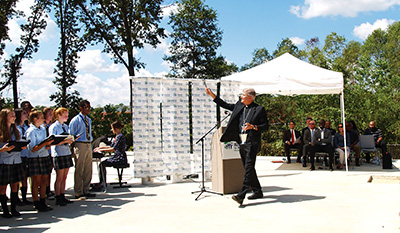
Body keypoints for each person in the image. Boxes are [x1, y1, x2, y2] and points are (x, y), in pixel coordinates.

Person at [205, 88, 268, 205]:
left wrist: (253, 127)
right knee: (248, 167)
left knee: (248, 167)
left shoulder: (259, 109)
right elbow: (224, 104)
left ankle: (241, 194)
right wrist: (211, 95)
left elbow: (265, 126)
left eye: (243, 95)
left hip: (252, 142)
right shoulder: (239, 106)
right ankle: (258, 191)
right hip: (241, 141)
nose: (241, 97)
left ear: (250, 97)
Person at [25, 110, 54, 212]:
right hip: (35, 158)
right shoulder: (31, 131)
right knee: (36, 181)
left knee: (44, 180)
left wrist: (48, 144)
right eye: (41, 117)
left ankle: (42, 200)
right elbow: (32, 148)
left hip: (44, 156)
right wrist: (44, 143)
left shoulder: (42, 129)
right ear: (35, 119)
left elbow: (43, 144)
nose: (43, 119)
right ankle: (36, 202)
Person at [0, 109, 25, 218]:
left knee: (15, 185)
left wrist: (22, 146)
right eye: (11, 116)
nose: (14, 117)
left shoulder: (16, 131)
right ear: (5, 117)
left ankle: (14, 209)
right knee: (2, 187)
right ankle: (5, 210)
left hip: (16, 160)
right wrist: (2, 149)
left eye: (14, 115)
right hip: (5, 161)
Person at [69, 100, 96, 199]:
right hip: (80, 144)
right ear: (80, 108)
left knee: (88, 168)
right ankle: (78, 191)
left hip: (88, 143)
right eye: (86, 107)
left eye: (89, 107)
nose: (88, 109)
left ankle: (86, 189)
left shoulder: (88, 120)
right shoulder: (75, 120)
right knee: (79, 168)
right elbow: (71, 134)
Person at [49, 108, 74, 206]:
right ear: (58, 115)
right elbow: (52, 141)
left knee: (64, 176)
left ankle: (62, 195)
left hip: (66, 152)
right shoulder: (54, 127)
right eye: (65, 115)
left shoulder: (65, 126)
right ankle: (58, 196)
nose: (67, 117)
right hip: (58, 153)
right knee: (59, 177)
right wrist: (65, 141)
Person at [93, 121, 127, 187]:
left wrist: (102, 149)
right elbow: (110, 146)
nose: (112, 130)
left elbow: (113, 149)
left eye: (112, 128)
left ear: (116, 128)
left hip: (119, 157)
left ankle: (102, 182)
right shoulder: (117, 136)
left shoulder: (120, 137)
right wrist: (100, 148)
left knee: (102, 164)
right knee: (102, 164)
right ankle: (102, 181)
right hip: (117, 156)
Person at [15, 108, 32, 205]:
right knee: (18, 177)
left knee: (25, 176)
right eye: (24, 113)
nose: (26, 114)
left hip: (26, 154)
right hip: (19, 155)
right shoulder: (16, 128)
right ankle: (16, 197)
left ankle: (24, 197)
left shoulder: (26, 127)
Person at [42, 107, 55, 200]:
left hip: (51, 151)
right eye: (49, 114)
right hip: (43, 151)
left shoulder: (52, 125)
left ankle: (48, 188)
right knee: (43, 173)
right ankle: (43, 190)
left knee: (49, 171)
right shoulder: (42, 126)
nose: (51, 116)